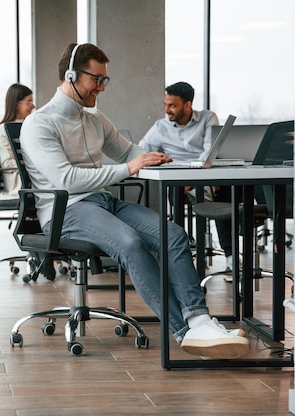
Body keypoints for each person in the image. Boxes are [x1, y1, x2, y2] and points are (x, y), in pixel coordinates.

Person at [19, 42, 249, 359]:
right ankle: (185, 332)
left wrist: (155, 159)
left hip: (102, 202)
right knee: (129, 243)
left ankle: (200, 319)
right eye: (96, 79)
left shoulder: (94, 119)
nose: (101, 87)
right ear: (71, 75)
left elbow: (128, 151)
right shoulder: (39, 123)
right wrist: (130, 167)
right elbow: (66, 179)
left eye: (105, 80)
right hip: (67, 211)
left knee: (174, 235)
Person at [138, 82, 234, 272]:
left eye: (172, 105)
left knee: (224, 192)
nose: (167, 110)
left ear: (188, 105)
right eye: (165, 104)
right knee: (178, 189)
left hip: (205, 175)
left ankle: (230, 255)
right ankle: (182, 252)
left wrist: (193, 179)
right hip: (178, 181)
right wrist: (154, 158)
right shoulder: (161, 127)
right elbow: (142, 150)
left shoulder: (207, 118)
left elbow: (209, 153)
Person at [0, 83, 35, 199]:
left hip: (33, 179)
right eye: (29, 102)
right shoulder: (2, 130)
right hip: (20, 183)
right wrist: (35, 162)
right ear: (16, 104)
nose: (33, 106)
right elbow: (6, 163)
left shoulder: (29, 126)